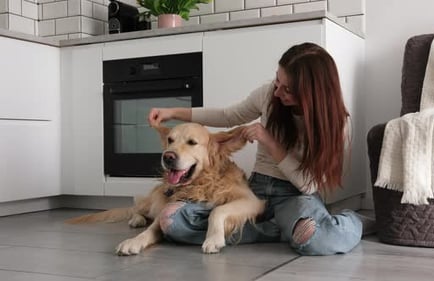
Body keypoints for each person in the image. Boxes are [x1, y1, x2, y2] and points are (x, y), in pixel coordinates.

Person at [148, 42, 365, 255]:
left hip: (294, 197)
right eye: (277, 80)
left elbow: (308, 185)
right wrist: (173, 112)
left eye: (287, 89)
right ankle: (283, 229)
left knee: (317, 240)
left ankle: (352, 223)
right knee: (172, 222)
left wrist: (269, 141)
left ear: (312, 95)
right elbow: (227, 116)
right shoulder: (268, 94)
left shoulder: (332, 123)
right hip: (256, 192)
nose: (277, 92)